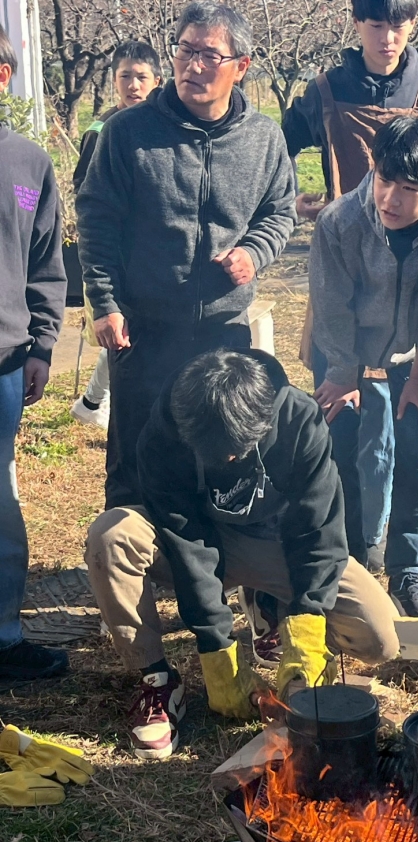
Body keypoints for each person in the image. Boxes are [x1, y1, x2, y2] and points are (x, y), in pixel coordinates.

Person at [85, 349, 400, 759]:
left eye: (236, 451)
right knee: (112, 535)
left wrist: (306, 633)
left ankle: (266, 599)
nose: (229, 460)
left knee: (379, 641)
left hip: (278, 543)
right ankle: (157, 679)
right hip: (200, 542)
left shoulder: (298, 418)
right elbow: (187, 542)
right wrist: (217, 648)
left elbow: (319, 532)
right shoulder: (165, 430)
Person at [76, 1, 296, 510]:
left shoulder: (264, 139)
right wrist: (104, 302)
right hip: (143, 330)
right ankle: (129, 552)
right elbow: (97, 218)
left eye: (209, 55)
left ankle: (203, 552)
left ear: (241, 66)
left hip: (223, 331)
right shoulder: (129, 133)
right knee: (135, 463)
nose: (193, 66)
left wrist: (255, 252)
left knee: (219, 460)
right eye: (184, 50)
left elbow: (279, 212)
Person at [282, 0, 418, 572]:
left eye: (398, 24)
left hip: (416, 289)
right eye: (376, 24)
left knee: (415, 443)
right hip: (349, 270)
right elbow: (278, 145)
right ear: (356, 23)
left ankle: (406, 566)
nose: (387, 37)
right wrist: (290, 200)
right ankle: (354, 555)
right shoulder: (326, 89)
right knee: (350, 437)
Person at [310, 115, 418, 619]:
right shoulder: (339, 222)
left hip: (417, 354)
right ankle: (350, 566)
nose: (390, 199)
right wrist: (342, 374)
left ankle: (407, 571)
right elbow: (332, 306)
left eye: (409, 189)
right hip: (345, 352)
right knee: (345, 453)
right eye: (384, 180)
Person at [0, 25, 68, 679]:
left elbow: (46, 263)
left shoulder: (28, 163)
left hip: (4, 362)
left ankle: (5, 635)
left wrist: (42, 343)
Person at [70, 41, 162, 430]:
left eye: (141, 77)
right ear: (113, 81)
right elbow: (87, 194)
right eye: (125, 76)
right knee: (121, 329)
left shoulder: (160, 127)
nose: (133, 85)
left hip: (151, 254)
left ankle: (93, 400)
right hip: (116, 254)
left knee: (131, 331)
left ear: (158, 81)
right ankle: (99, 402)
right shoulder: (102, 130)